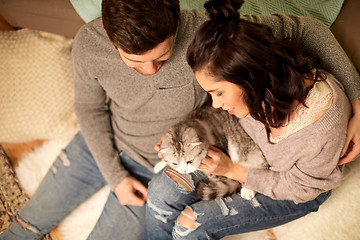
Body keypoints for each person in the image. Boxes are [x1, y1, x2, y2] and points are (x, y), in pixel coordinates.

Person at [1, 0, 360, 239]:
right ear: (112, 41)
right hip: (99, 143)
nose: (149, 71)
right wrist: (114, 176)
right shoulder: (89, 44)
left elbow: (310, 30)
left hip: (160, 161)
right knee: (26, 224)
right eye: (134, 61)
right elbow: (89, 109)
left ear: (176, 27)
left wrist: (358, 99)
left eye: (162, 57)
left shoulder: (210, 36)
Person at [143, 0, 358, 239]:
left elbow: (301, 188)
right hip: (249, 155)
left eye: (219, 93)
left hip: (297, 187)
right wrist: (182, 136)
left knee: (190, 226)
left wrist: (235, 171)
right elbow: (217, 117)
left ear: (250, 78)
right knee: (161, 189)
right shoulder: (256, 85)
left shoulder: (319, 131)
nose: (216, 104)